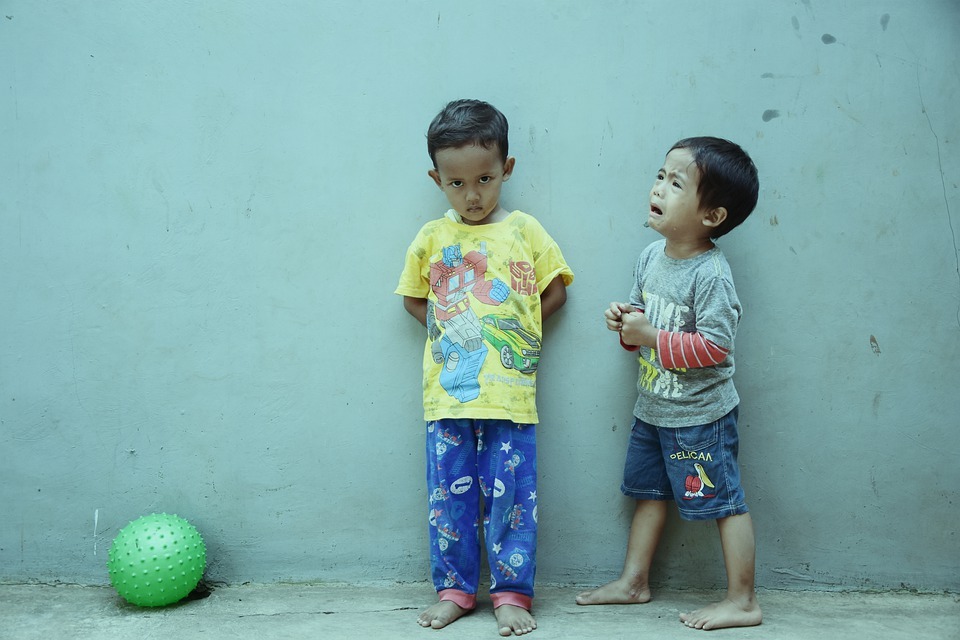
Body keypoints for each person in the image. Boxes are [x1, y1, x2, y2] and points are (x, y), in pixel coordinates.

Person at [395, 99, 574, 636]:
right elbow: (411, 300)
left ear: (507, 170)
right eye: (456, 184)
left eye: (485, 178)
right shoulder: (433, 238)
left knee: (513, 502)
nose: (472, 195)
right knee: (449, 501)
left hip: (511, 400)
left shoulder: (525, 230)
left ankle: (512, 594)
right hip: (448, 396)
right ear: (437, 179)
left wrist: (517, 336)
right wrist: (451, 331)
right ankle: (454, 590)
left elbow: (557, 291)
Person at [576, 137, 762, 631]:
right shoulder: (649, 257)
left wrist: (651, 334)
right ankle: (634, 582)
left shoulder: (711, 274)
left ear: (713, 216)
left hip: (701, 419)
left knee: (725, 502)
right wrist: (626, 322)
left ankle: (743, 600)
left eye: (676, 183)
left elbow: (716, 348)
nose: (658, 187)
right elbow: (641, 336)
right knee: (649, 494)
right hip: (653, 409)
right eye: (661, 176)